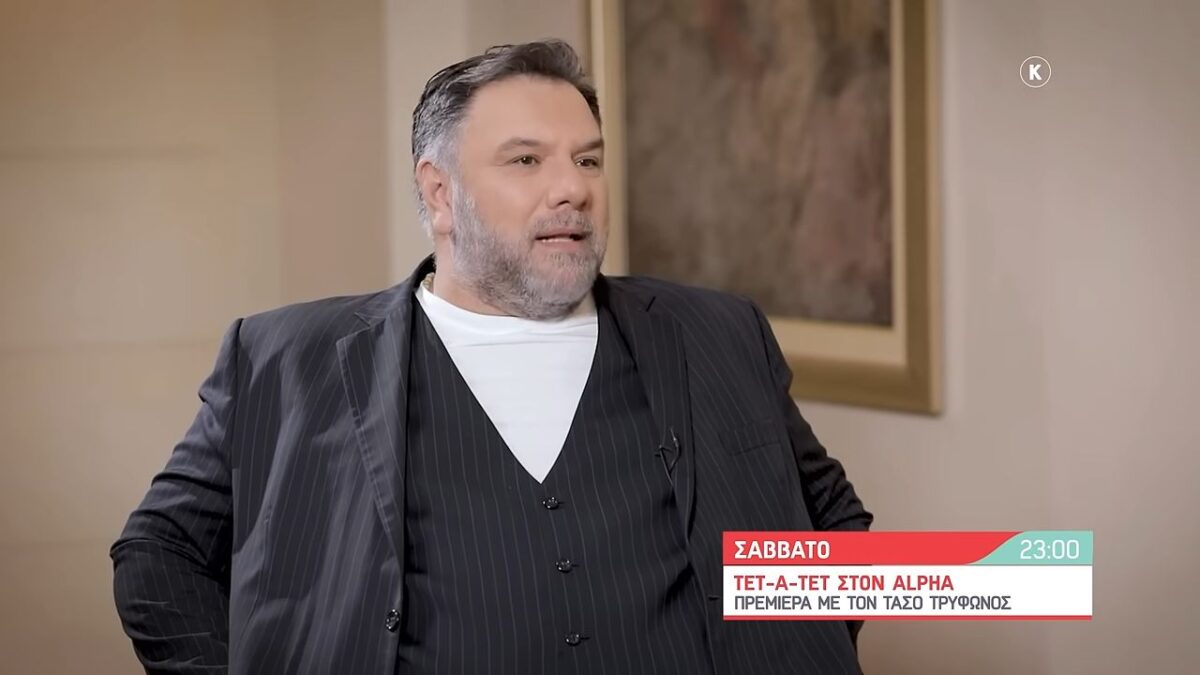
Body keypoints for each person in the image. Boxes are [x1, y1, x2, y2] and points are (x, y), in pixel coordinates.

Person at [112, 39, 872, 675]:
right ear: (440, 193)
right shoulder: (283, 360)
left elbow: (835, 519)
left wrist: (795, 646)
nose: (572, 188)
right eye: (527, 160)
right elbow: (158, 552)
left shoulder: (719, 332)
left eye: (589, 160)